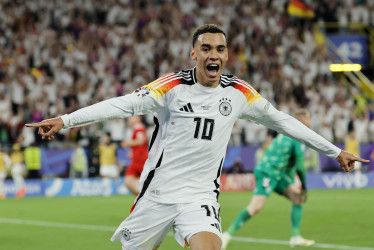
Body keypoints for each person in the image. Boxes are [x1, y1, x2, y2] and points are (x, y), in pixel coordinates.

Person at [26, 24, 368, 250]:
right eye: (205, 49)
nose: (213, 55)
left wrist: (334, 150)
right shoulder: (172, 87)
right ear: (194, 54)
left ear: (227, 55)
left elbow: (283, 122)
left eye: (219, 49)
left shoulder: (238, 93)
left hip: (200, 198)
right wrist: (66, 120)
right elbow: (124, 105)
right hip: (157, 195)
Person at [221, 109, 315, 249]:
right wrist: (305, 186)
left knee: (297, 198)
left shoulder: (286, 134)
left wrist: (292, 182)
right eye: (308, 119)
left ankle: (295, 237)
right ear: (301, 122)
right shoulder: (298, 136)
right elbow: (300, 167)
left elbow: (288, 163)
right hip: (268, 172)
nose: (310, 122)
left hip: (276, 173)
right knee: (255, 207)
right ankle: (226, 235)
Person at [121, 116, 148, 195]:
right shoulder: (135, 128)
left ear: (138, 118)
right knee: (128, 182)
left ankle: (142, 198)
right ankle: (141, 198)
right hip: (136, 159)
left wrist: (128, 143)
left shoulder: (139, 127)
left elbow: (141, 141)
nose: (130, 119)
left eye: (132, 117)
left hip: (141, 159)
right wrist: (133, 152)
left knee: (130, 182)